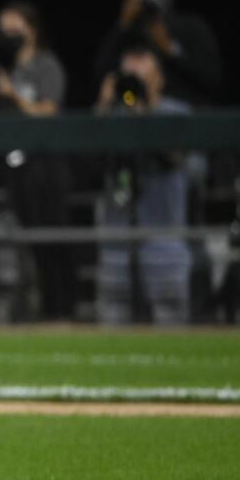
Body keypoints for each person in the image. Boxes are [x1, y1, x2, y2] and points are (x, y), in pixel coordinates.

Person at [93, 44, 197, 324]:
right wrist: (103, 107)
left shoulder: (176, 112)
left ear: (159, 78)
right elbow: (88, 162)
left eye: (143, 72)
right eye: (130, 73)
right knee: (112, 321)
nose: (135, 81)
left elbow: (189, 164)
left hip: (165, 236)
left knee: (170, 320)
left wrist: (146, 113)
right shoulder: (113, 116)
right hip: (116, 236)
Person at [0, 0, 75, 320]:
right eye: (4, 30)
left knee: (52, 242)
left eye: (16, 29)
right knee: (19, 247)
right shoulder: (3, 68)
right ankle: (28, 314)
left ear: (32, 31)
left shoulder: (46, 65)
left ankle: (63, 311)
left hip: (46, 166)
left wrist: (13, 96)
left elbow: (49, 112)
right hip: (13, 168)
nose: (8, 36)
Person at [93, 0, 223, 106]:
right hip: (131, 108)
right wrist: (122, 26)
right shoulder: (126, 33)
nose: (144, 3)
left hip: (182, 112)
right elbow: (100, 75)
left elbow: (212, 79)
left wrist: (171, 48)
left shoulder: (188, 27)